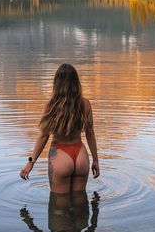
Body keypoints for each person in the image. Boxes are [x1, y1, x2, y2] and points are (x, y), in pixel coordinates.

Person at [20, 63, 100, 193]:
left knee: (59, 209)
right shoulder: (85, 104)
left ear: (56, 83)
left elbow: (43, 136)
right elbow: (90, 134)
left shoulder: (51, 106)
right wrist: (95, 160)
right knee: (80, 203)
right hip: (81, 156)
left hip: (60, 157)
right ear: (76, 82)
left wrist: (31, 162)